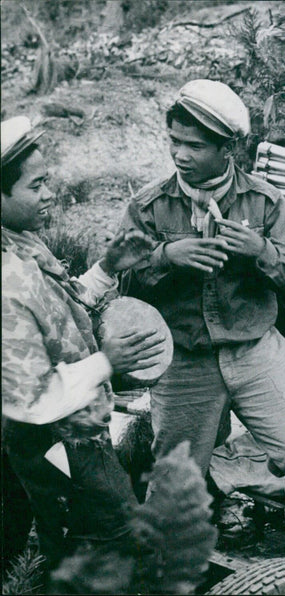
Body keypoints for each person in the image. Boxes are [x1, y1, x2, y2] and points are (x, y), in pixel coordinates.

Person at [118, 79, 285, 559]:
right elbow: (119, 284)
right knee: (174, 481)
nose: (181, 155)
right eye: (174, 141)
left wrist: (261, 250)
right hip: (185, 362)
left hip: (256, 352)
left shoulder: (264, 202)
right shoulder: (149, 207)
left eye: (194, 145)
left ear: (228, 147)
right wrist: (167, 255)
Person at [1, 116, 165, 571]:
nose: (49, 194)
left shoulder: (22, 242)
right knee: (106, 538)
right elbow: (34, 398)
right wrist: (106, 363)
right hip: (53, 438)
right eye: (36, 186)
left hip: (76, 430)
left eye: (48, 180)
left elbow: (63, 306)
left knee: (90, 535)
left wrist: (107, 267)